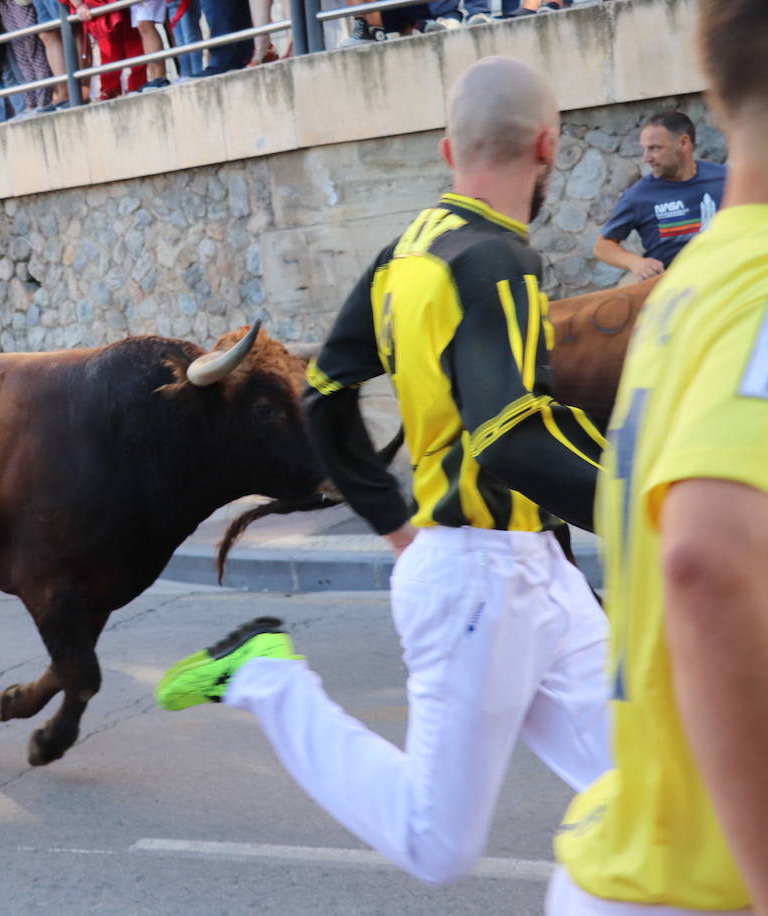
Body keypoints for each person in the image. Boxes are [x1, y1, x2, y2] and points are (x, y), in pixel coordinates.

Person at [157, 56, 611, 886]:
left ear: (447, 151)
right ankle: (265, 676)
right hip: (482, 577)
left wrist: (391, 519)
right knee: (437, 843)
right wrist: (651, 502)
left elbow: (327, 391)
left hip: (528, 570)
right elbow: (509, 432)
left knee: (648, 786)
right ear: (548, 145)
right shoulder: (499, 260)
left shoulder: (408, 253)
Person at [551, 1, 768, 912]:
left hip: (641, 854)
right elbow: (707, 560)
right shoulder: (753, 288)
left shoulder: (700, 287)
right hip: (700, 882)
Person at [593, 110, 727, 282]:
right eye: (645, 149)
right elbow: (602, 246)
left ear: (684, 143)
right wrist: (636, 262)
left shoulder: (726, 178)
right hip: (675, 294)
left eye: (654, 148)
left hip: (729, 287)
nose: (646, 158)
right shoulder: (638, 196)